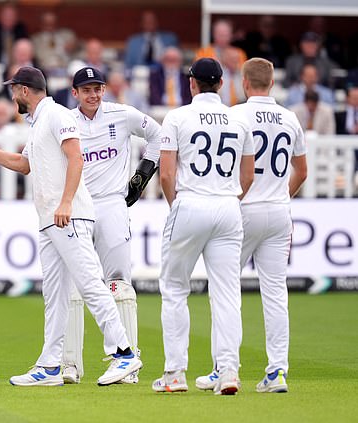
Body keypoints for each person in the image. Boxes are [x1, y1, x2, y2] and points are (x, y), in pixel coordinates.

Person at [0, 66, 142, 386]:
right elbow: (23, 165)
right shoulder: (39, 123)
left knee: (89, 283)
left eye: (14, 89)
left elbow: (76, 158)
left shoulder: (58, 114)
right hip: (51, 219)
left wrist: (65, 202)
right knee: (55, 294)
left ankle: (124, 354)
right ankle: (49, 366)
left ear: (23, 90)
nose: (12, 95)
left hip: (67, 216)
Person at [196, 57, 307, 393]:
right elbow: (301, 171)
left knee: (225, 290)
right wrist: (280, 196)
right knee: (276, 293)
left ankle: (224, 367)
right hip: (278, 211)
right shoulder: (290, 118)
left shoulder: (234, 114)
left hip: (243, 208)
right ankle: (277, 372)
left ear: (244, 83)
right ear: (272, 83)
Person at [152, 58, 255, 395]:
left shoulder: (178, 116)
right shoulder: (239, 120)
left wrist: (177, 205)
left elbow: (166, 173)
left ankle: (175, 373)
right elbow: (249, 174)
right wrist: (229, 201)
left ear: (192, 83)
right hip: (228, 206)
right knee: (227, 294)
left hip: (191, 201)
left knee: (175, 289)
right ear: (222, 84)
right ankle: (228, 371)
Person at [61, 67, 161, 385]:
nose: (93, 94)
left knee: (118, 283)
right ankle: (69, 365)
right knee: (74, 285)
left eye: (98, 88)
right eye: (86, 89)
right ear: (74, 92)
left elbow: (159, 135)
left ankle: (128, 364)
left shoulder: (122, 114)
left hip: (113, 205)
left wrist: (143, 173)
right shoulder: (65, 121)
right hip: (78, 206)